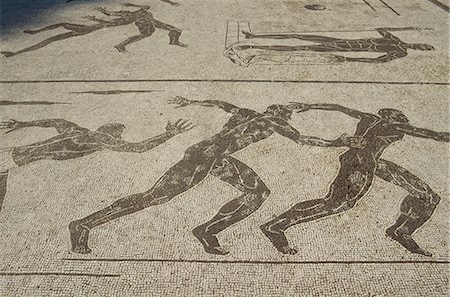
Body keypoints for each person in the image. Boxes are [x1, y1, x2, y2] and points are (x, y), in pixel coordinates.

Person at [69, 96, 364, 255]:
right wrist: (339, 142)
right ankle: (83, 224)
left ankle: (207, 232)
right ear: (280, 113)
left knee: (257, 192)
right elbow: (302, 140)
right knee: (152, 198)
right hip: (204, 157)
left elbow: (222, 104)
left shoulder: (249, 112)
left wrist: (190, 102)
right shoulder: (273, 120)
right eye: (287, 112)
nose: (288, 115)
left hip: (216, 157)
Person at [260, 103, 449, 256]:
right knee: (336, 204)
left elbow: (340, 107)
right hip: (361, 165)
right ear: (394, 118)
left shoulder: (370, 118)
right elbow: (433, 134)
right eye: (402, 118)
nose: (405, 121)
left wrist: (309, 105)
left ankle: (402, 231)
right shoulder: (393, 125)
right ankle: (276, 226)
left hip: (367, 161)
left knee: (427, 195)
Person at [0, 118, 193, 214]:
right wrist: (169, 134)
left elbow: (55, 121)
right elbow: (138, 148)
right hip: (9, 160)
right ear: (110, 133)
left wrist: (22, 124)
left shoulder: (76, 129)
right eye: (118, 135)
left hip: (11, 155)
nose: (117, 139)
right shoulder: (100, 140)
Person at [1, 2, 185, 57]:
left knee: (54, 35)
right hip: (85, 29)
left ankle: (22, 46)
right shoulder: (134, 17)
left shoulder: (140, 17)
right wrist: (100, 15)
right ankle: (20, 48)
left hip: (89, 28)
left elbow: (119, 16)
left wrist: (101, 14)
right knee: (51, 38)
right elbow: (117, 18)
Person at [238, 27, 434, 63]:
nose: (419, 47)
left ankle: (251, 48)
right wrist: (409, 27)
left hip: (345, 48)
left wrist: (347, 58)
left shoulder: (400, 52)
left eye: (423, 49)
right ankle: (254, 36)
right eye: (423, 45)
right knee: (297, 36)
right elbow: (381, 27)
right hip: (340, 42)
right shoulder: (395, 39)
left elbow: (379, 61)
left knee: (298, 48)